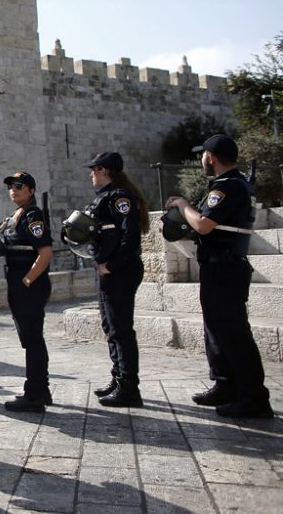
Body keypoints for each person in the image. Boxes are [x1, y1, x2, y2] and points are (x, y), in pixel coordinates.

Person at [165, 134, 273, 419]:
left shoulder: (226, 187)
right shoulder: (236, 185)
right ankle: (225, 384)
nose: (202, 160)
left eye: (203, 155)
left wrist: (184, 205)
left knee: (233, 333)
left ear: (211, 158)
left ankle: (253, 397)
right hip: (220, 266)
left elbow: (203, 224)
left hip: (224, 268)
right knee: (216, 330)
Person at [79, 152, 148, 407]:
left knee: (121, 329)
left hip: (120, 271)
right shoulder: (105, 198)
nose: (91, 174)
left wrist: (112, 265)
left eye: (94, 170)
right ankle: (118, 378)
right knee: (111, 327)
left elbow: (130, 236)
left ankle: (129, 388)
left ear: (105, 171)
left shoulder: (120, 197)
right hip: (109, 270)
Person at [0, 172, 53, 413]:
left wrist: (27, 280)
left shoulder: (33, 215)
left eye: (19, 186)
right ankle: (41, 388)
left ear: (31, 190)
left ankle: (33, 395)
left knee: (32, 340)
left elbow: (45, 253)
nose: (14, 189)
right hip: (19, 283)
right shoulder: (17, 216)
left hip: (28, 285)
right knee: (31, 338)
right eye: (11, 186)